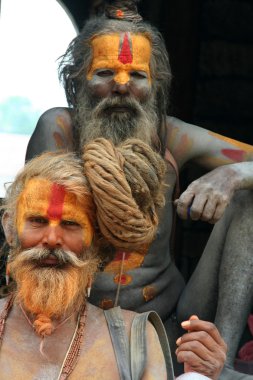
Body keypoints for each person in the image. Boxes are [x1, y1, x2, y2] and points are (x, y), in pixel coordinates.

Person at [23, 0, 253, 378]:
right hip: (82, 318)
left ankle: (218, 364)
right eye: (104, 72)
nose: (122, 85)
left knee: (248, 192)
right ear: (77, 80)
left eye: (138, 75)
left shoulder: (171, 136)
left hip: (172, 317)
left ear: (155, 85)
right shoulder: (59, 130)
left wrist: (233, 176)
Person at [0, 149, 227, 379]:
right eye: (37, 221)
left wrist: (198, 376)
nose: (51, 239)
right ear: (10, 228)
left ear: (95, 241)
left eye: (70, 224)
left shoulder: (135, 340)